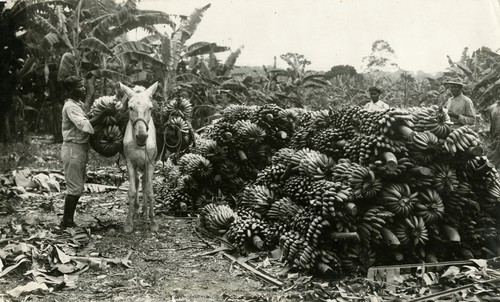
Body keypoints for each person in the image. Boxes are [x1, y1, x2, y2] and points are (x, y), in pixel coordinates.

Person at [60, 76, 110, 228]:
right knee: (74, 187)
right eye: (80, 86)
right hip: (73, 148)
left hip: (79, 148)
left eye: (83, 86)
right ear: (70, 90)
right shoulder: (70, 107)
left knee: (77, 186)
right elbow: (84, 124)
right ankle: (66, 221)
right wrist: (103, 114)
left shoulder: (77, 104)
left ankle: (68, 220)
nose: (83, 89)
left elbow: (86, 119)